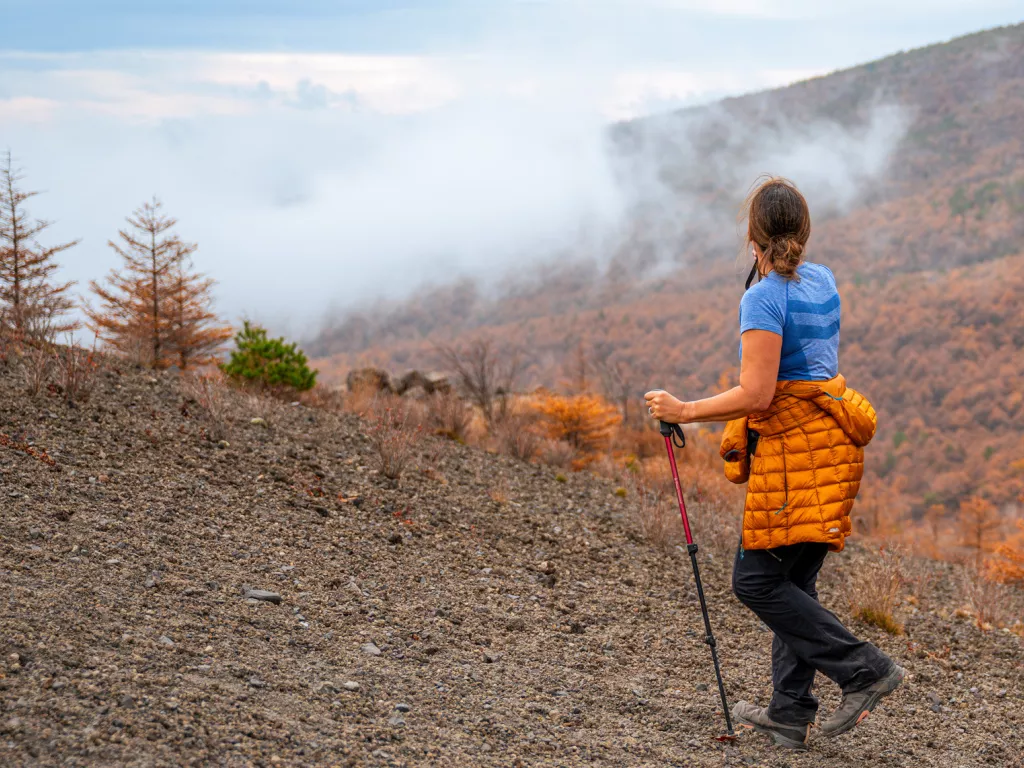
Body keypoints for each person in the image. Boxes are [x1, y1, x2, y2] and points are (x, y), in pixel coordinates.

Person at [644, 177, 903, 751]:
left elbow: (757, 394)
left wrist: (684, 409)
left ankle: (864, 669)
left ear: (751, 236)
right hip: (832, 447)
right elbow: (805, 370)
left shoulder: (763, 296)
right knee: (794, 582)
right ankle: (789, 712)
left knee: (756, 582)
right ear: (804, 233)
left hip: (793, 458)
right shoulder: (823, 278)